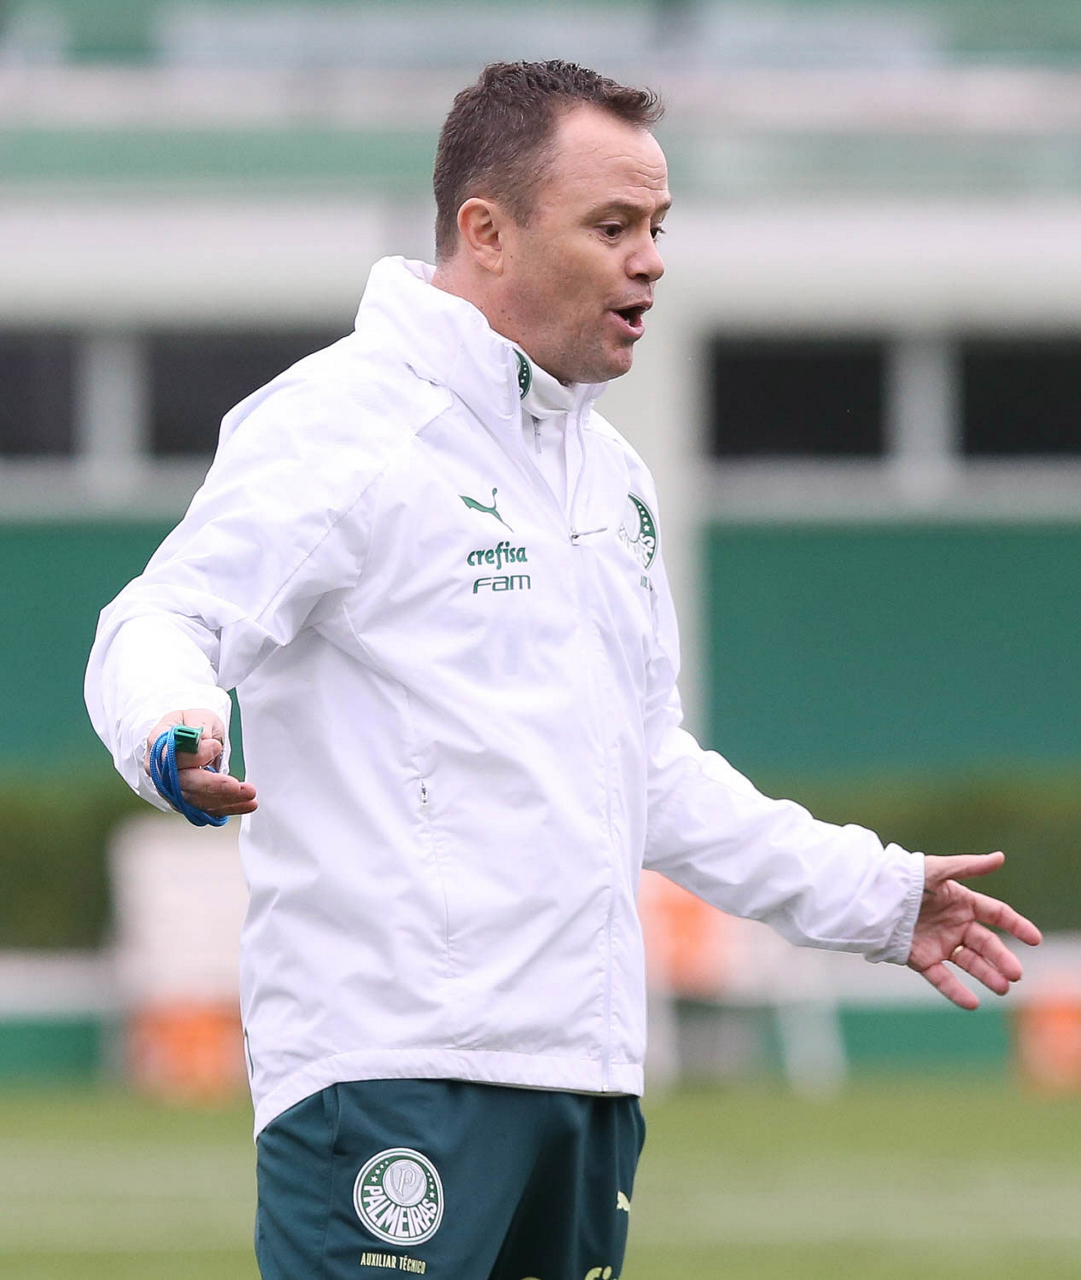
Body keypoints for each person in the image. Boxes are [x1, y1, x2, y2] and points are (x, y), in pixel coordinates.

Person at [85, 60, 1041, 1280]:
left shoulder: (611, 476)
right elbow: (161, 615)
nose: (649, 261)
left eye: (657, 228)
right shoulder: (342, 424)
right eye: (612, 226)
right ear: (486, 230)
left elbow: (649, 770)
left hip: (584, 1077)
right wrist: (174, 726)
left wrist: (875, 895)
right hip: (391, 1072)